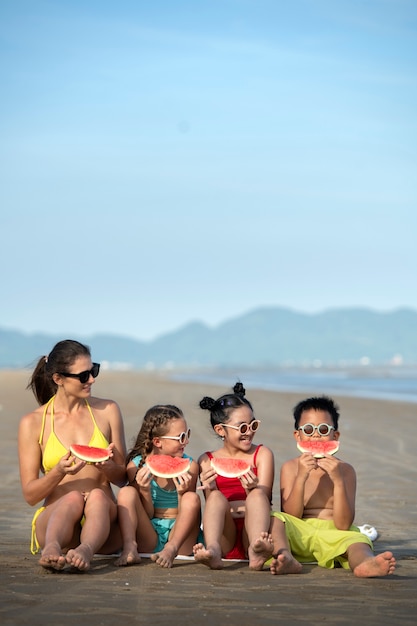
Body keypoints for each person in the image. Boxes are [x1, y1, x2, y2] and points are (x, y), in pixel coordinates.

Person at [18, 339, 127, 571]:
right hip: (56, 524)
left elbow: (123, 478)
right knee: (72, 498)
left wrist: (107, 467)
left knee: (97, 496)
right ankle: (51, 549)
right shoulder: (33, 423)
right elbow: (30, 495)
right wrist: (57, 472)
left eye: (93, 370)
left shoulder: (108, 411)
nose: (92, 379)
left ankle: (86, 550)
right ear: (58, 379)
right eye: (83, 375)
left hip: (104, 529)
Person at [269, 395, 396, 578]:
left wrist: (338, 480)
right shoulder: (290, 467)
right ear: (297, 435)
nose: (315, 435)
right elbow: (291, 516)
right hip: (299, 534)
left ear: (335, 435)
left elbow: (344, 524)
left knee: (358, 541)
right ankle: (286, 557)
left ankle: (364, 563)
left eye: (323, 429)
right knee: (275, 519)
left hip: (335, 534)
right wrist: (301, 476)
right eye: (308, 429)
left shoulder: (345, 470)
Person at [193, 382, 301, 573]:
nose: (249, 431)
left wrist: (252, 489)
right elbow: (212, 506)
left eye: (253, 425)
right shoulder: (206, 460)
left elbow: (264, 499)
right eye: (242, 428)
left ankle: (257, 552)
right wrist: (210, 488)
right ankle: (214, 551)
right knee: (217, 497)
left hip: (255, 533)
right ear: (220, 430)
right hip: (224, 533)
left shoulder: (262, 454)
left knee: (260, 498)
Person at [114, 404, 202, 568]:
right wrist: (145, 491)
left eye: (187, 434)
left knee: (191, 497)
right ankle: (129, 546)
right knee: (126, 492)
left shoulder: (190, 466)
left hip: (181, 539)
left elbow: (189, 511)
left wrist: (182, 494)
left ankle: (170, 548)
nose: (187, 441)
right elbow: (147, 515)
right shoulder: (136, 466)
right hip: (149, 533)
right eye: (181, 437)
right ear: (157, 442)